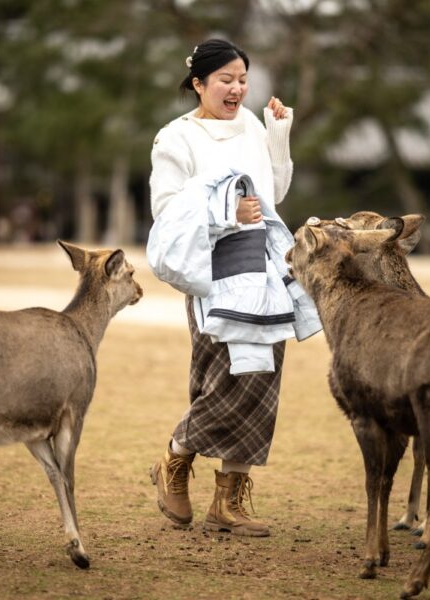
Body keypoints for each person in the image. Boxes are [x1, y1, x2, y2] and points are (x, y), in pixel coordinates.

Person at [147, 39, 315, 537]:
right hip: (212, 269)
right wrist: (226, 212)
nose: (237, 88)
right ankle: (175, 459)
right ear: (198, 83)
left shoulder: (253, 125)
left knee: (262, 377)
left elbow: (275, 194)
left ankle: (228, 501)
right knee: (220, 377)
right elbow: (167, 212)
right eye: (226, 79)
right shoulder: (175, 138)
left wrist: (279, 136)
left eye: (243, 79)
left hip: (263, 266)